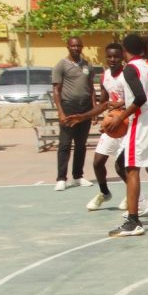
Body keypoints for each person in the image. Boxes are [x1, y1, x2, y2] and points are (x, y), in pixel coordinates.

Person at [103, 34, 148, 237]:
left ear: (126, 50)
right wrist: (122, 107)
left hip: (141, 121)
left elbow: (140, 97)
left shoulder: (130, 69)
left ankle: (133, 221)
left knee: (130, 168)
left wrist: (119, 117)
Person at [77, 43, 148, 216]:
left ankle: (138, 199)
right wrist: (83, 116)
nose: (112, 60)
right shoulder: (105, 76)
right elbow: (104, 102)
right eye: (109, 56)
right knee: (97, 162)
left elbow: (140, 98)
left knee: (121, 166)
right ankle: (105, 193)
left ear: (122, 57)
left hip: (127, 123)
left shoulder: (128, 74)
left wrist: (121, 105)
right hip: (113, 125)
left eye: (116, 57)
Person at [52, 36, 95, 191]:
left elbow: (91, 89)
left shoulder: (87, 65)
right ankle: (61, 178)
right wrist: (61, 112)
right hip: (68, 108)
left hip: (85, 108)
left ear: (82, 47)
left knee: (81, 145)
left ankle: (77, 176)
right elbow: (56, 90)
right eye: (73, 46)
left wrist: (93, 110)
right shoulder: (61, 65)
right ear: (68, 47)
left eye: (79, 46)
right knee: (65, 144)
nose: (76, 48)